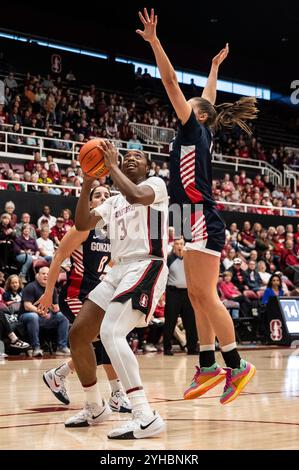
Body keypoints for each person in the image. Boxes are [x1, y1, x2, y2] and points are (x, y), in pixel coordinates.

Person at [137, 7, 256, 404]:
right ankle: (207, 364)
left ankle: (236, 364)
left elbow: (170, 82)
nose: (184, 105)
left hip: (199, 215)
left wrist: (155, 42)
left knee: (206, 295)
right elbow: (209, 99)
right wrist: (213, 68)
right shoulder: (199, 124)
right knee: (195, 294)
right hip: (186, 217)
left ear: (197, 116)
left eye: (191, 105)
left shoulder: (193, 126)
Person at [56, 144, 168, 438]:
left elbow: (135, 195)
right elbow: (82, 223)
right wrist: (86, 182)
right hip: (117, 270)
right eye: (126, 156)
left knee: (111, 333)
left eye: (137, 157)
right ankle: (95, 406)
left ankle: (145, 414)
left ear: (147, 166)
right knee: (79, 334)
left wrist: (112, 164)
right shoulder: (114, 201)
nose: (131, 159)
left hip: (147, 263)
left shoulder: (155, 186)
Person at [36, 186, 131, 412]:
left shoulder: (113, 232)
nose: (103, 198)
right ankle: (116, 393)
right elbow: (58, 256)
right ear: (89, 203)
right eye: (97, 195)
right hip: (77, 295)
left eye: (107, 195)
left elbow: (112, 265)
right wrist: (49, 292)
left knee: (103, 339)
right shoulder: (85, 226)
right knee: (105, 337)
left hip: (100, 295)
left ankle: (58, 375)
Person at [20, 266, 70, 357]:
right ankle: (36, 348)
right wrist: (41, 312)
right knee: (33, 316)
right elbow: (27, 306)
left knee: (62, 316)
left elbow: (56, 305)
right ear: (37, 275)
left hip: (45, 317)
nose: (46, 276)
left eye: (48, 274)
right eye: (43, 274)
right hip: (27, 316)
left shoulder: (52, 289)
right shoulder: (30, 287)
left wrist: (56, 308)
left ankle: (62, 347)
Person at [163, 238, 198, 355]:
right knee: (170, 321)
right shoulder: (169, 259)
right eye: (177, 244)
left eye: (181, 244)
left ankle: (192, 348)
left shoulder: (190, 259)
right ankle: (167, 348)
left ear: (184, 245)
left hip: (187, 293)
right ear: (173, 246)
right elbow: (163, 277)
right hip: (173, 293)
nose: (179, 246)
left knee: (190, 321)